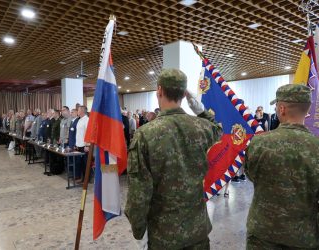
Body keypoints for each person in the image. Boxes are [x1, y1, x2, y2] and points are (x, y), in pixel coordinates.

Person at [125, 68, 222, 249]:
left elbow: (139, 193)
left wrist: (139, 230)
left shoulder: (145, 135)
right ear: (184, 95)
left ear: (159, 90)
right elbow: (218, 129)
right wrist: (200, 110)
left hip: (164, 235)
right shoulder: (203, 127)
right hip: (198, 231)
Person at [245, 84, 319, 249]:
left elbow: (251, 175)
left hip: (263, 235)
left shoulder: (259, 143)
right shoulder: (316, 147)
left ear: (282, 108)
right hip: (303, 237)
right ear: (307, 110)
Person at [75, 106, 89, 182]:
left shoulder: (87, 120)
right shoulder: (79, 120)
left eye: (78, 110)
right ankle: (80, 177)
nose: (77, 111)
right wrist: (76, 144)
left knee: (85, 163)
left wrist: (87, 145)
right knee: (79, 163)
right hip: (79, 145)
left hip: (84, 145)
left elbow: (88, 133)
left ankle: (86, 178)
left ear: (82, 111)